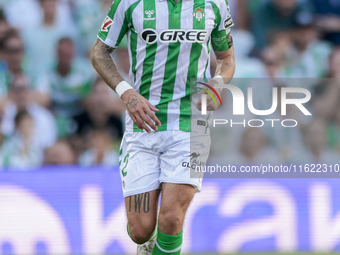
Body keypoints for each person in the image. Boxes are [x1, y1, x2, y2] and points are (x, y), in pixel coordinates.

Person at [91, 0, 235, 254]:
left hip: (190, 126)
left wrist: (216, 86)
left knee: (171, 219)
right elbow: (99, 52)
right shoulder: (129, 3)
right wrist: (127, 94)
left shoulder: (214, 4)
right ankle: (147, 242)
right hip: (143, 125)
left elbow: (226, 58)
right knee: (140, 230)